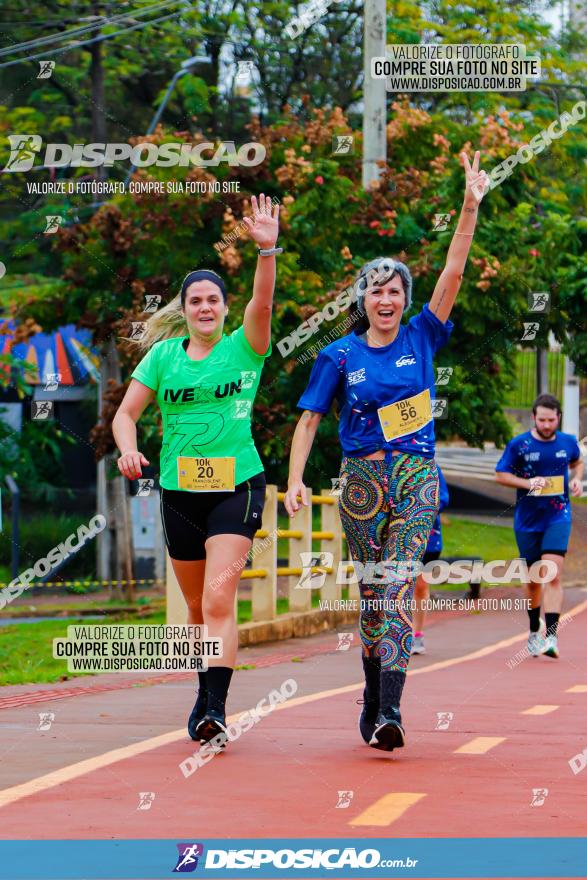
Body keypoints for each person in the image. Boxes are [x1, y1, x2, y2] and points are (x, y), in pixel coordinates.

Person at [284, 151, 488, 751]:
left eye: (395, 289)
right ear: (362, 299)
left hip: (416, 477)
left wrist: (469, 207)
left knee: (399, 584)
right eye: (376, 290)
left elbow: (452, 272)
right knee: (374, 595)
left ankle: (393, 712)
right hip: (362, 481)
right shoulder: (339, 355)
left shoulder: (424, 334)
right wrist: (296, 479)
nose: (386, 298)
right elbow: (307, 421)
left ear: (405, 297)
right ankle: (372, 702)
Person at [112, 194, 281, 745]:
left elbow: (264, 301)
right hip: (180, 491)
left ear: (225, 308)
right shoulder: (163, 357)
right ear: (183, 310)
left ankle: (214, 709)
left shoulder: (245, 347)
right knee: (191, 608)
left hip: (238, 485)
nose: (205, 307)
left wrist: (266, 250)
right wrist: (129, 449)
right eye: (196, 301)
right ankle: (203, 690)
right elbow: (126, 414)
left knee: (216, 600)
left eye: (213, 300)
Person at [495, 393, 583, 658]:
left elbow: (577, 462)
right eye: (542, 420)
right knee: (534, 581)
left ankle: (552, 637)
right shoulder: (519, 445)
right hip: (528, 520)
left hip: (558, 516)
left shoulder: (568, 442)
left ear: (558, 419)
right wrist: (527, 484)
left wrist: (577, 479)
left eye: (551, 420)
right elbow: (500, 474)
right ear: (533, 418)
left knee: (553, 574)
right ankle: (535, 628)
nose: (546, 425)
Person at [411, 466, 449, 655]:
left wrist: (417, 509)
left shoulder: (431, 467)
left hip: (428, 538)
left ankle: (417, 635)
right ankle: (394, 633)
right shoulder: (388, 464)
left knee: (420, 586)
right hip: (395, 536)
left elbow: (443, 498)